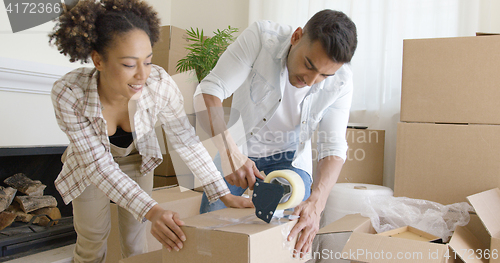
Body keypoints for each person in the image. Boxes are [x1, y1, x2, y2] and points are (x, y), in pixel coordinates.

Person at [48, 0, 251, 261]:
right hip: (89, 169)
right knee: (92, 241)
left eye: (148, 61)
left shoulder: (159, 85)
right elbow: (100, 167)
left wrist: (222, 192)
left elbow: (185, 140)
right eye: (129, 65)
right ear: (98, 60)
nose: (142, 75)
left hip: (138, 160)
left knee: (135, 243)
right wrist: (153, 210)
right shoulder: (69, 93)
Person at [195, 9, 357, 257]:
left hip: (290, 160)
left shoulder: (342, 82)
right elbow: (209, 90)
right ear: (297, 37)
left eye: (324, 75)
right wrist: (230, 154)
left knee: (287, 229)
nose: (312, 80)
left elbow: (332, 148)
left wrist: (318, 202)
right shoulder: (261, 38)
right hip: (238, 148)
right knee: (209, 230)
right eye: (309, 65)